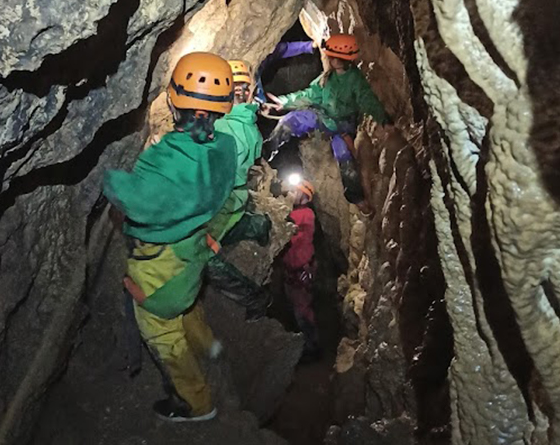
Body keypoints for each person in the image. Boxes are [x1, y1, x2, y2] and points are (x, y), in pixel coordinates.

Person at [103, 52, 237, 423]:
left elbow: (137, 200)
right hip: (193, 245)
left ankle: (197, 404)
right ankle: (211, 348)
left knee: (162, 329)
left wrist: (109, 178)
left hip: (160, 257)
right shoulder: (225, 148)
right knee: (189, 298)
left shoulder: (168, 162)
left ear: (175, 101)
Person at [261, 34, 391, 216]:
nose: (332, 59)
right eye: (331, 56)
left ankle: (357, 198)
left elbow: (367, 100)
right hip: (321, 116)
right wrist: (283, 103)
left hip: (341, 126)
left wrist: (383, 119)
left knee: (346, 161)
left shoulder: (355, 80)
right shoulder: (327, 77)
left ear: (346, 59)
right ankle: (267, 150)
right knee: (290, 120)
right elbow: (310, 95)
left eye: (336, 57)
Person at [204, 59, 273, 320]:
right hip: (236, 197)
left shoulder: (223, 128)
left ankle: (255, 298)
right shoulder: (248, 124)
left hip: (222, 200)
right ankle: (257, 225)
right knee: (228, 226)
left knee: (203, 256)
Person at [281, 173, 320, 362]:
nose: (292, 193)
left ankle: (313, 347)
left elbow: (290, 231)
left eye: (295, 191)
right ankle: (308, 342)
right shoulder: (300, 213)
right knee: (298, 307)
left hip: (301, 269)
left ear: (304, 196)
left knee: (302, 309)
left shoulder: (305, 214)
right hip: (294, 268)